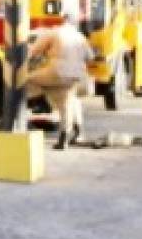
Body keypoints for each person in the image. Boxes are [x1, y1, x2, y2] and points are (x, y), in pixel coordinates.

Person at [27, 12, 96, 150]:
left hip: (57, 72)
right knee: (69, 101)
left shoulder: (54, 33)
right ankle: (70, 132)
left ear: (62, 20)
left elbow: (33, 51)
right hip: (76, 76)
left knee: (26, 80)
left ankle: (37, 101)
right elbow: (90, 56)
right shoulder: (80, 37)